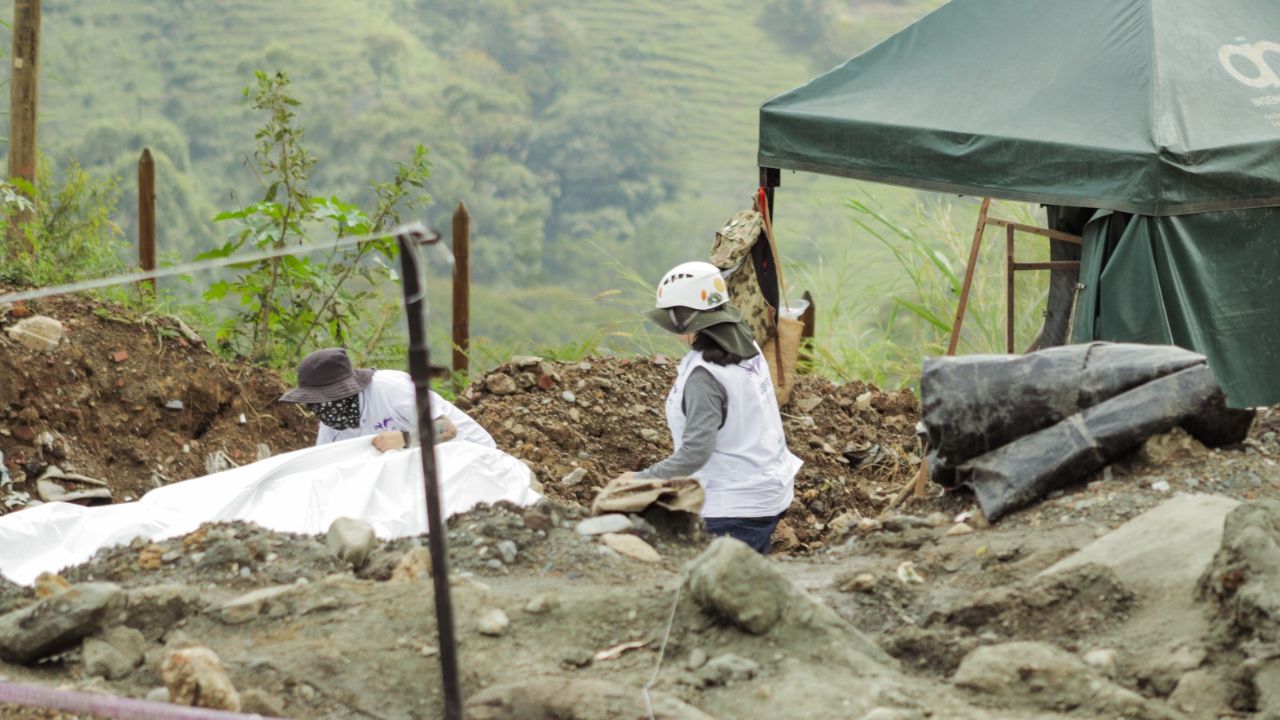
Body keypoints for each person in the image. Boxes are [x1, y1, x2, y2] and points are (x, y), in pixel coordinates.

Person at [628, 261, 801, 553]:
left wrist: (640, 480)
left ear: (683, 320)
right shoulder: (744, 344)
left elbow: (695, 453)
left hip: (734, 506)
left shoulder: (704, 377)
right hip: (768, 487)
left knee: (721, 579)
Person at [279, 348, 495, 452]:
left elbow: (446, 429)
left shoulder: (391, 388)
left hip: (469, 454)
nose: (319, 410)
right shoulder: (331, 422)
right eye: (314, 404)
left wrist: (405, 438)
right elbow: (324, 462)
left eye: (324, 400)